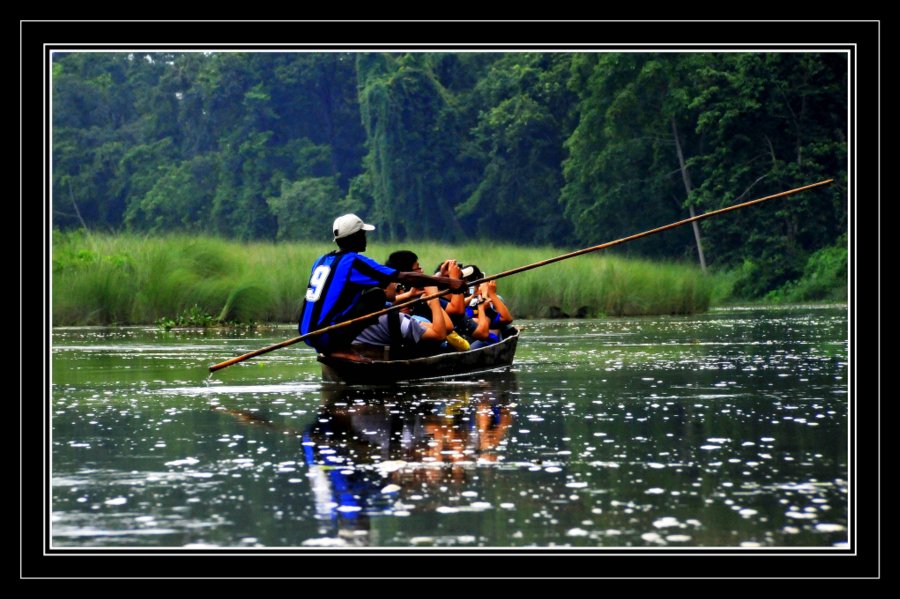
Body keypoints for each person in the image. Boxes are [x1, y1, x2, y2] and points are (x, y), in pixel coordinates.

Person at [299, 214, 464, 355]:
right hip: (328, 336)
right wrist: (448, 282)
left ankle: (338, 346)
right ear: (355, 237)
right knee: (376, 296)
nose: (365, 238)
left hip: (307, 334)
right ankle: (343, 349)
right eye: (363, 234)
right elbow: (402, 277)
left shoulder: (321, 261)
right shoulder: (353, 262)